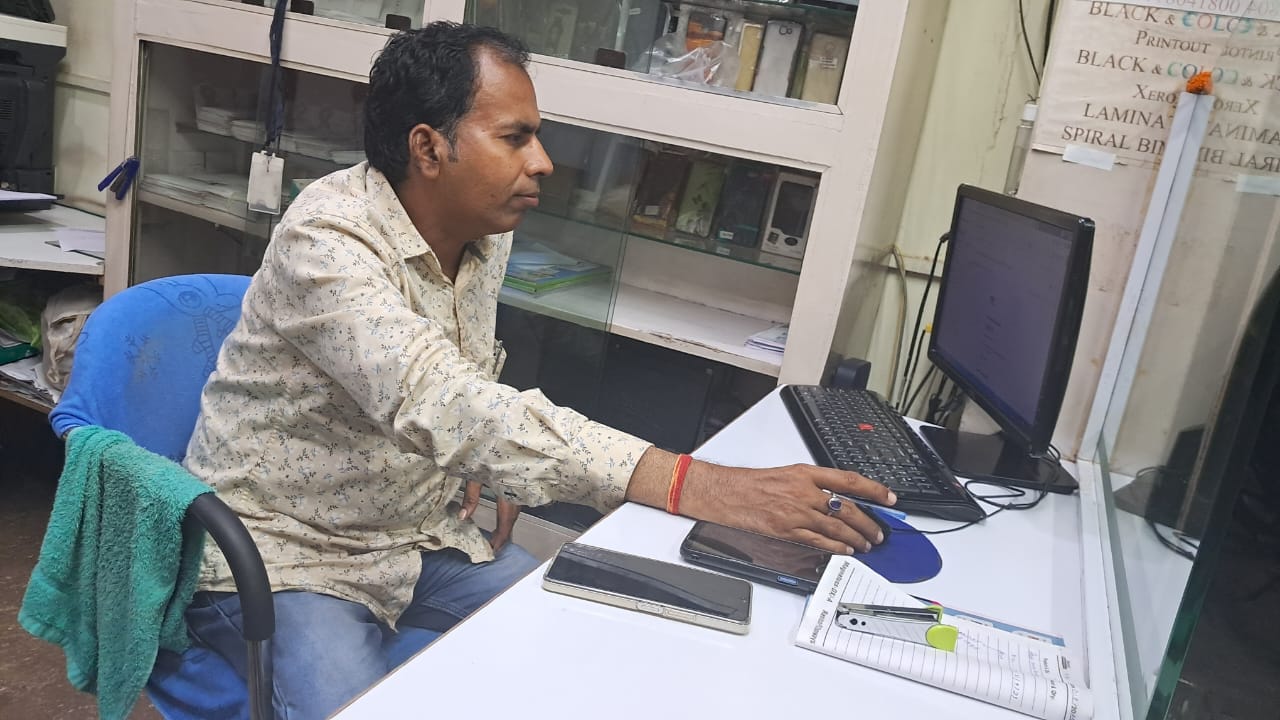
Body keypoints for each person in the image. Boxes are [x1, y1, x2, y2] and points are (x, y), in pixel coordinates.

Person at [183, 21, 895, 719]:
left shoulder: (480, 234)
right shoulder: (325, 238)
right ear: (428, 148)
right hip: (287, 552)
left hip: (415, 535)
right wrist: (697, 483)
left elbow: (463, 385)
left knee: (575, 641)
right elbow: (439, 399)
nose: (544, 162)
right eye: (515, 137)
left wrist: (489, 466)